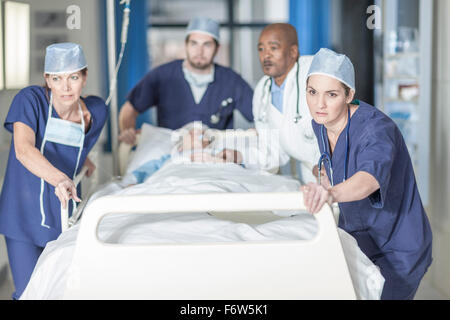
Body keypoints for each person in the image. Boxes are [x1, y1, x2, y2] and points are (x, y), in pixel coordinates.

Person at [301, 48, 432, 300]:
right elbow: (337, 164)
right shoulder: (320, 123)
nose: (319, 104)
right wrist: (322, 177)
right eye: (312, 92)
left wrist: (329, 193)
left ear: (349, 94)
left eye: (331, 94)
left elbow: (368, 179)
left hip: (397, 247)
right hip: (358, 239)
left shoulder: (376, 129)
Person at [0, 43, 108, 299]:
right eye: (56, 78)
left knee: (62, 290)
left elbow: (81, 147)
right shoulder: (30, 100)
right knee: (30, 293)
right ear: (47, 79)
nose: (66, 87)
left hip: (64, 210)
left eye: (73, 77)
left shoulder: (96, 111)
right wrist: (59, 178)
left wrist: (84, 162)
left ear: (85, 76)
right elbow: (23, 150)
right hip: (22, 213)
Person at [204, 23, 320, 183]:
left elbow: (339, 123)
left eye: (273, 48)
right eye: (261, 49)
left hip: (338, 165)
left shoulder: (315, 73)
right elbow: (272, 151)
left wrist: (328, 162)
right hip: (309, 176)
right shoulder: (262, 90)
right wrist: (238, 156)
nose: (266, 55)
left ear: (293, 52)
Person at [118, 16, 254, 145]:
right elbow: (130, 108)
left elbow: (259, 115)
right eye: (194, 44)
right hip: (171, 155)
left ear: (217, 48)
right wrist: (127, 130)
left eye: (207, 45)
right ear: (186, 45)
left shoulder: (231, 80)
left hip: (215, 156)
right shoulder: (162, 75)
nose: (199, 51)